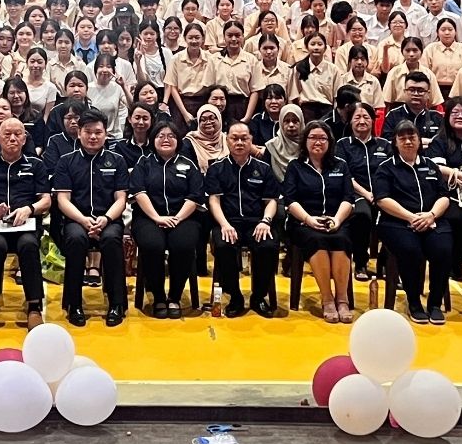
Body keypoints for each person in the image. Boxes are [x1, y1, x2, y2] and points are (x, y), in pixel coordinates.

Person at [371, 120, 460, 325]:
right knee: (410, 250)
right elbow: (382, 199)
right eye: (402, 138)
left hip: (432, 220)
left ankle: (435, 303)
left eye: (412, 137)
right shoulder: (386, 168)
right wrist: (411, 217)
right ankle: (414, 302)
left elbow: (444, 196)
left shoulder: (431, 166)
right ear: (395, 142)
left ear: (420, 141)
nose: (408, 142)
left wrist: (431, 215)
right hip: (397, 222)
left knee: (443, 249)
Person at [0, 117, 49, 333]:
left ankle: (34, 306)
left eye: (17, 134)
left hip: (26, 223)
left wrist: (29, 209)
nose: (12, 138)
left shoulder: (36, 165)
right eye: (7, 134)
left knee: (28, 245)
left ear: (25, 138)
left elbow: (46, 200)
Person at [51, 109, 129, 326]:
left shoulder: (117, 161)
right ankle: (74, 303)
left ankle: (117, 303)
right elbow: (63, 200)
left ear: (106, 134)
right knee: (76, 239)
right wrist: (84, 220)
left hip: (109, 219)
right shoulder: (66, 161)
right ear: (79, 133)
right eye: (88, 132)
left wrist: (106, 219)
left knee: (111, 239)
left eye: (98, 132)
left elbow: (121, 199)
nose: (93, 136)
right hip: (77, 219)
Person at [282, 122, 357, 323]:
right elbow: (289, 200)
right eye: (313, 137)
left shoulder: (341, 165)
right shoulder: (295, 166)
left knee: (342, 240)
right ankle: (327, 299)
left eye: (322, 138)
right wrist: (309, 219)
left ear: (330, 142)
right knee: (317, 240)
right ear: (305, 141)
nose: (318, 142)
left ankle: (342, 299)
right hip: (303, 222)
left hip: (335, 220)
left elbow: (349, 198)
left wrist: (337, 220)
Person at [130, 120, 205, 319]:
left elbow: (195, 197)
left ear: (178, 140)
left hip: (183, 217)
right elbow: (139, 192)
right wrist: (157, 217)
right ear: (152, 139)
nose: (166, 139)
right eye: (160, 136)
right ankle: (158, 297)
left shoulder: (188, 164)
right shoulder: (144, 163)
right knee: (152, 245)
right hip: (148, 218)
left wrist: (177, 218)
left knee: (183, 245)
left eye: (171, 136)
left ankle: (174, 296)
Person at [206, 120, 282, 317]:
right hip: (228, 221)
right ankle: (235, 297)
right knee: (223, 245)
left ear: (251, 140)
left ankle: (258, 297)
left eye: (244, 138)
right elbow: (213, 200)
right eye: (234, 138)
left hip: (256, 222)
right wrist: (224, 224)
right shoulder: (217, 168)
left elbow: (271, 201)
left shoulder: (263, 168)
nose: (239, 142)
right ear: (227, 140)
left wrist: (265, 221)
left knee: (268, 245)